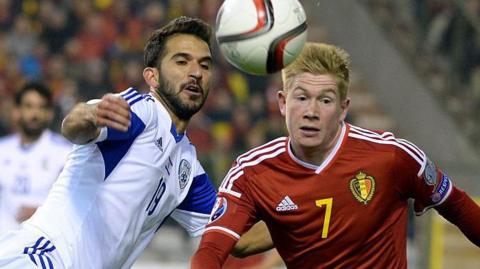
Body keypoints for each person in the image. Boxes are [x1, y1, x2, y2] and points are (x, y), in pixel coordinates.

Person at [191, 42, 480, 268]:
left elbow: (456, 205)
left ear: (343, 108)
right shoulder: (252, 172)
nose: (311, 112)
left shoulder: (393, 158)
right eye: (301, 97)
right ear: (282, 102)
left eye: (325, 100)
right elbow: (213, 249)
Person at [0, 16, 220, 269]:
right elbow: (75, 125)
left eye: (205, 65)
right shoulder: (144, 112)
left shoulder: (187, 165)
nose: (196, 73)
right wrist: (92, 115)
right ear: (152, 77)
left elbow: (235, 236)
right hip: (44, 257)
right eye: (182, 61)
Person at [0, 82, 71, 236]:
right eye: (29, 106)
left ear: (50, 113)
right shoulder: (2, 150)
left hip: (42, 243)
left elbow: (74, 203)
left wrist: (42, 212)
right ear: (16, 112)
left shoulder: (65, 153)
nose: (35, 114)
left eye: (41, 107)